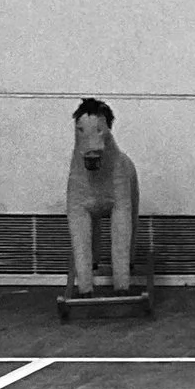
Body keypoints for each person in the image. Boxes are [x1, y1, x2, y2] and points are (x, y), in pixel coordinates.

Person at [65, 97, 139, 296]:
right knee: (81, 227)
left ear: (106, 131)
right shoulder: (76, 171)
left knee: (126, 222)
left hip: (115, 183)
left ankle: (123, 278)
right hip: (83, 182)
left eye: (99, 130)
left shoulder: (124, 166)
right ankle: (85, 284)